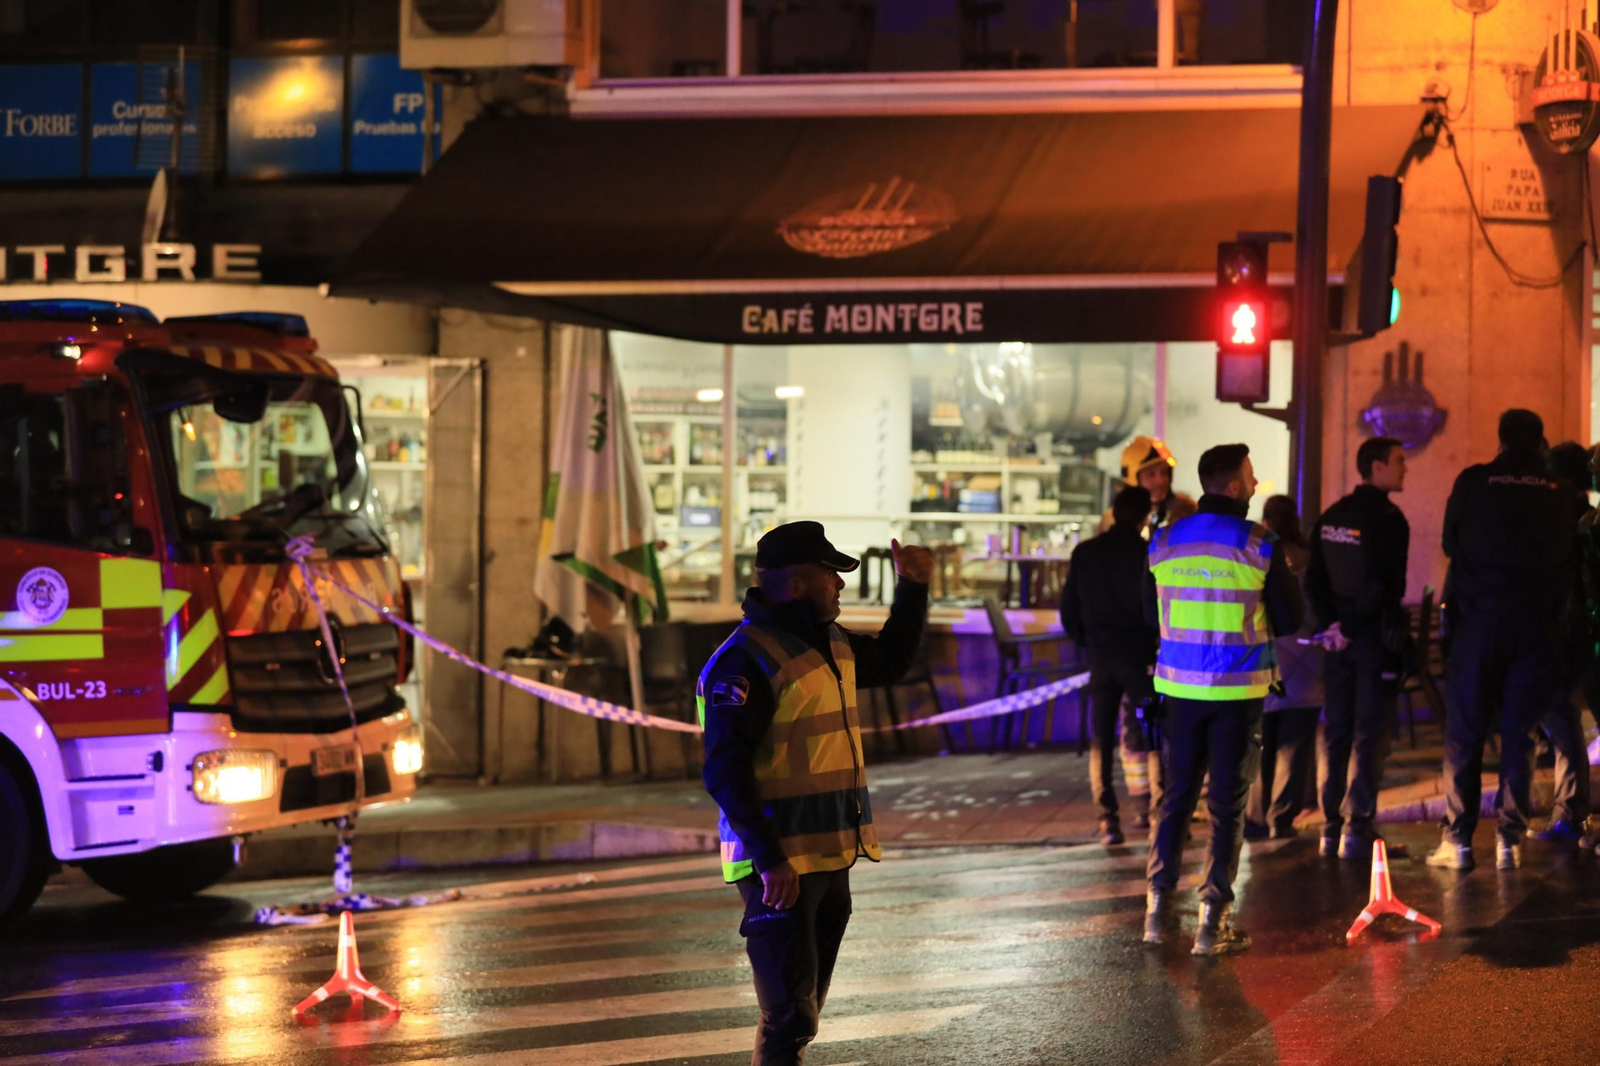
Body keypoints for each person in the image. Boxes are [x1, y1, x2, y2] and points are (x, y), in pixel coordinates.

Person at [698, 520, 932, 1066]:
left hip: (829, 854)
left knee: (801, 1015)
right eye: (833, 575)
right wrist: (770, 858)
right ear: (798, 584)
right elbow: (724, 770)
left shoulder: (830, 642)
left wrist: (914, 589)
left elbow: (893, 661)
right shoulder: (744, 660)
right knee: (787, 1015)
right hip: (779, 867)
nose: (842, 586)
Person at [1142, 444, 1304, 955]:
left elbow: (1151, 614)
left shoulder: (1164, 541)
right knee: (1227, 807)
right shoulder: (1260, 543)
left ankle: (1156, 913)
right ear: (1233, 486)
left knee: (1176, 798)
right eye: (1251, 478)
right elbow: (1293, 618)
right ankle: (1212, 923)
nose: (1256, 487)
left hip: (1180, 691)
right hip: (1237, 690)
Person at [1428, 409, 1573, 873]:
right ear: (1540, 441)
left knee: (1466, 732)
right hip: (1535, 626)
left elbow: (1451, 543)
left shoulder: (1474, 482)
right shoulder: (1558, 493)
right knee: (1520, 733)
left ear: (1501, 438)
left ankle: (1458, 841)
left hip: (1480, 623)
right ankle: (1509, 840)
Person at [1305, 436, 1409, 860]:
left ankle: (1331, 824)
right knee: (1372, 732)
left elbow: (1314, 579)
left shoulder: (1332, 516)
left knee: (1338, 732)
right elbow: (1385, 586)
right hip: (1370, 638)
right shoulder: (1388, 519)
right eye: (1399, 462)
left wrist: (1333, 625)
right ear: (1378, 467)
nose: (1406, 469)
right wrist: (1350, 626)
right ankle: (1359, 825)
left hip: (1337, 641)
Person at [1062, 484, 1161, 846]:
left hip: (1101, 655)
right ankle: (1156, 814)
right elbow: (1156, 606)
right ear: (1143, 517)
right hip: (1140, 656)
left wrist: (1086, 641)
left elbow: (1068, 610)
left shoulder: (1085, 553)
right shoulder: (1147, 552)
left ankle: (1108, 820)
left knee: (1102, 738)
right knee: (1151, 733)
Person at [1245, 495, 1323, 841]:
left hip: (1264, 660)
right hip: (1305, 662)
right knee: (1293, 746)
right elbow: (1318, 609)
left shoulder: (1258, 554)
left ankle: (1255, 819)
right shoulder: (1311, 557)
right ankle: (1281, 818)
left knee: (1260, 743)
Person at [1534, 441, 1594, 845]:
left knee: (1560, 716)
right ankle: (1571, 812)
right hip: (1580, 634)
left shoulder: (1570, 521)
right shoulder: (1583, 517)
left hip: (1573, 634)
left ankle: (1571, 812)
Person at [1097, 435, 1198, 537]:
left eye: (1164, 473)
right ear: (1132, 478)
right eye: (1151, 474)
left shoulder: (1185, 510)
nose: (1161, 481)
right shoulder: (1112, 520)